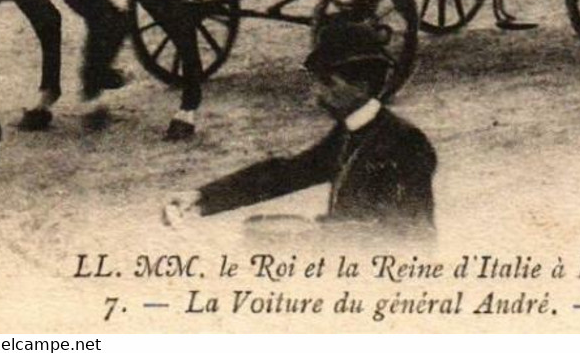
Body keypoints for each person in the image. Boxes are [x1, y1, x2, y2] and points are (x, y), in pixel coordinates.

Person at [165, 20, 436, 238]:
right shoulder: (350, 132)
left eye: (327, 84)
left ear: (361, 87)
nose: (316, 94)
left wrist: (316, 234)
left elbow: (413, 236)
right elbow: (287, 172)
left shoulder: (406, 143)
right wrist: (202, 197)